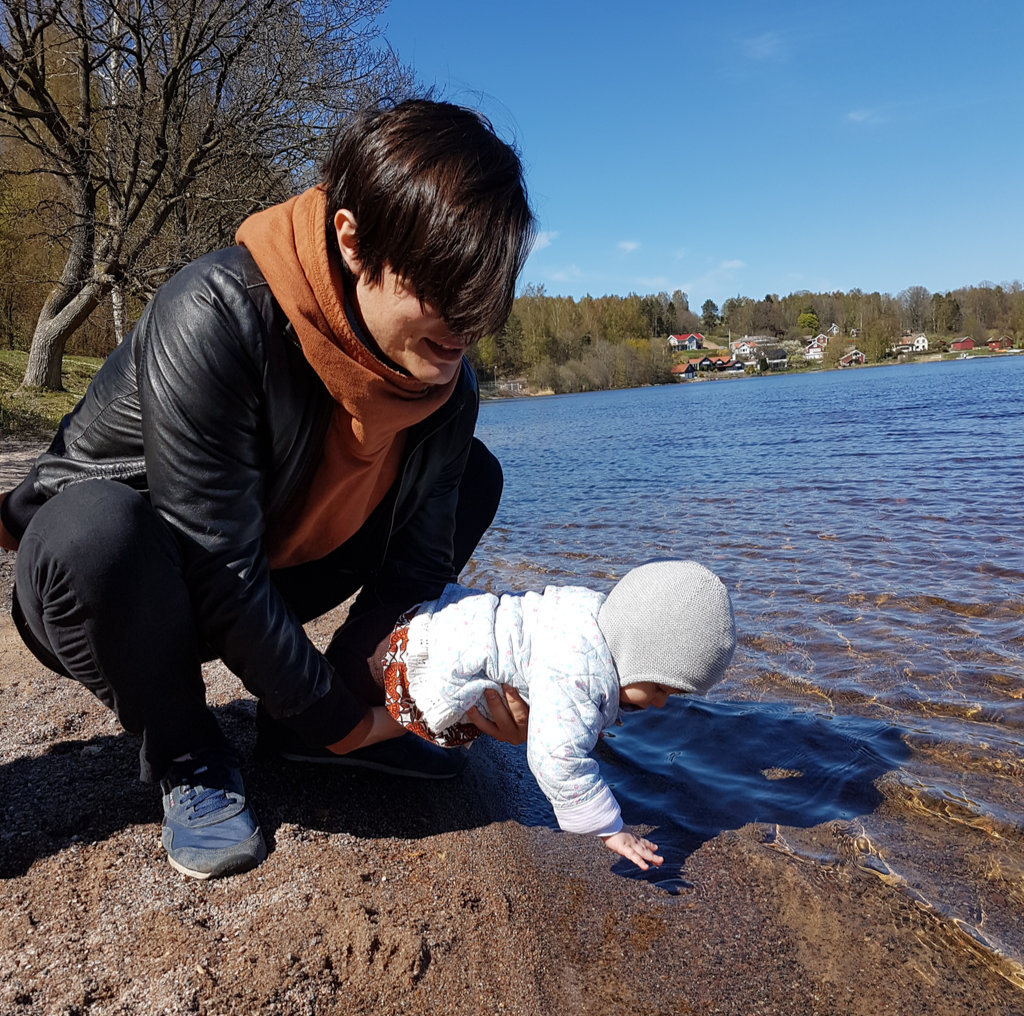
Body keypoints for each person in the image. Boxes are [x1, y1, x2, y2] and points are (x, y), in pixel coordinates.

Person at [0, 99, 536, 880]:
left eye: (485, 290)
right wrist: (344, 723)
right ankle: (190, 756)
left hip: (262, 565)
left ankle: (305, 738)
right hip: (113, 582)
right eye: (445, 285)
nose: (468, 320)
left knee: (476, 476)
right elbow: (219, 569)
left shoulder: (447, 386)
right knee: (94, 530)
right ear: (354, 240)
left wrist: (397, 700)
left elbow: (417, 572)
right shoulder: (217, 311)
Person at [311, 560, 737, 871]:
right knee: (432, 719)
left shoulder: (590, 614)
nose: (661, 703)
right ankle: (345, 735)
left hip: (402, 624)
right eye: (660, 687)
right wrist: (612, 829)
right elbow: (557, 758)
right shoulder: (581, 674)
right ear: (634, 652)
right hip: (396, 666)